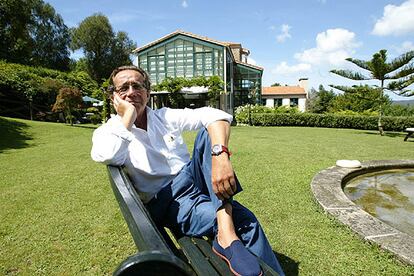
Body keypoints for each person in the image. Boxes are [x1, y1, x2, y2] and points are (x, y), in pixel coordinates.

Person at [91, 65, 284, 276]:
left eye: (137, 85)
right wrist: (127, 116)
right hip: (171, 202)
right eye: (123, 88)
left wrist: (221, 156)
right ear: (114, 97)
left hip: (192, 181)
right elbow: (107, 154)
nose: (131, 92)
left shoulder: (164, 116)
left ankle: (226, 230)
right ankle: (227, 232)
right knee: (245, 220)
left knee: (208, 133)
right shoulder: (109, 131)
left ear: (147, 92)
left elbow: (216, 115)